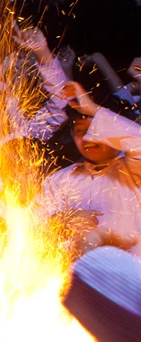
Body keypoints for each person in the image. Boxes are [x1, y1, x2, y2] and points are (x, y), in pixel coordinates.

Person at [36, 81, 141, 256]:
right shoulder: (61, 180)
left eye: (95, 130)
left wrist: (92, 109)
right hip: (78, 276)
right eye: (80, 131)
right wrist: (61, 219)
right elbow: (31, 225)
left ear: (111, 130)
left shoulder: (134, 169)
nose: (89, 139)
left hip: (132, 276)